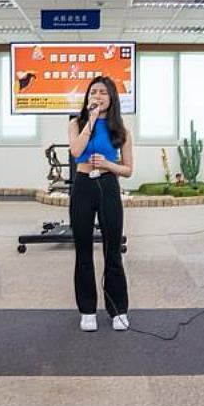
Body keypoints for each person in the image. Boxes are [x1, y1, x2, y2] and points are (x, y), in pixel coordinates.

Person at [68, 76, 133, 332]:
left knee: (112, 249)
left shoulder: (121, 130)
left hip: (108, 186)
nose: (97, 96)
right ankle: (87, 310)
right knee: (83, 250)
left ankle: (118, 310)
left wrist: (108, 165)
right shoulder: (77, 123)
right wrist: (91, 121)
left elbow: (128, 170)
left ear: (112, 98)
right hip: (83, 186)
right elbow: (75, 151)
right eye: (93, 92)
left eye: (103, 93)